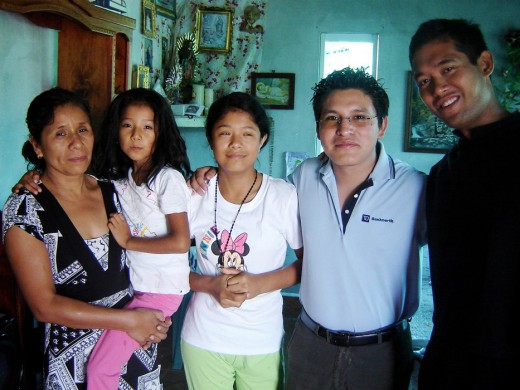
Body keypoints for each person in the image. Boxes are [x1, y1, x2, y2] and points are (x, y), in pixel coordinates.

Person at [189, 68, 427, 390]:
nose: (345, 129)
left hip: (380, 351)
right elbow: (255, 198)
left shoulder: (415, 189)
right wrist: (211, 173)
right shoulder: (304, 177)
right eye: (332, 118)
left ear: (382, 125)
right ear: (318, 128)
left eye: (359, 117)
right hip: (310, 345)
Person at [2, 87, 170, 389]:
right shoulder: (25, 211)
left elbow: (152, 254)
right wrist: (132, 321)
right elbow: (44, 306)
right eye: (60, 134)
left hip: (133, 350)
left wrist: (156, 316)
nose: (76, 143)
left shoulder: (116, 191)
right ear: (37, 146)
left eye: (82, 129)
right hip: (73, 363)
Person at [409, 19, 520, 389]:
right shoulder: (442, 175)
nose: (438, 87)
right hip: (450, 363)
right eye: (424, 80)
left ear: (484, 64)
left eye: (448, 68)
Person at [181, 92, 303, 390]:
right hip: (202, 338)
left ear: (262, 139)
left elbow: (310, 264)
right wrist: (209, 284)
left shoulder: (282, 196)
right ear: (211, 140)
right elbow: (163, 266)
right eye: (225, 133)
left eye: (247, 133)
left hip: (261, 340)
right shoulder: (194, 194)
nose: (236, 143)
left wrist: (260, 284)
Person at [84, 88, 192, 389]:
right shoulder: (126, 177)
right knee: (116, 366)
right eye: (127, 125)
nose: (136, 135)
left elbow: (180, 241)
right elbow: (83, 180)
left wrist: (129, 241)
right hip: (141, 288)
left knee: (99, 369)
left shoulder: (166, 178)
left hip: (161, 292)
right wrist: (35, 177)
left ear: (160, 132)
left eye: (147, 127)